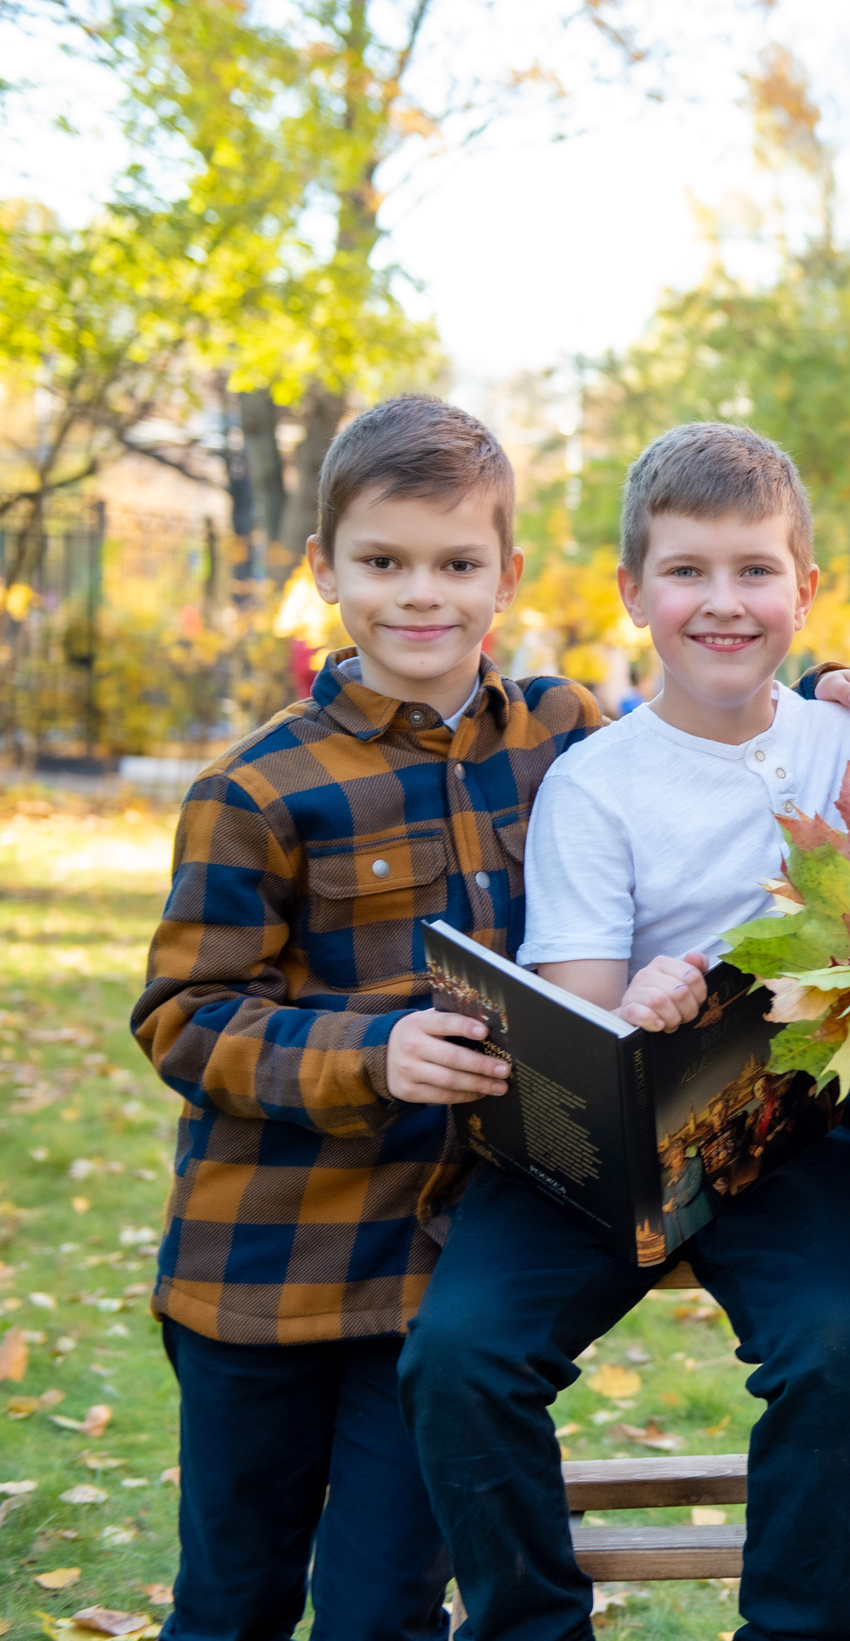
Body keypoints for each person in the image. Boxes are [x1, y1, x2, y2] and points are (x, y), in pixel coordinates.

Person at [396, 422, 850, 1641]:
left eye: (754, 571)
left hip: (792, 1124)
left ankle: (798, 1627)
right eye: (686, 571)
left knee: (841, 1344)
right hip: (616, 1133)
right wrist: (632, 1006)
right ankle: (531, 1623)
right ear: (632, 592)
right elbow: (574, 1006)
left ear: (806, 591)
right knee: (460, 1355)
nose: (722, 603)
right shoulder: (599, 781)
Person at [130, 397, 605, 1641]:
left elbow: (722, 738)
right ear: (324, 568)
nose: (421, 596)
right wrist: (371, 1053)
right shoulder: (256, 785)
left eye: (456, 564)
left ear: (508, 572)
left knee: (384, 1612)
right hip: (261, 1275)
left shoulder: (566, 737)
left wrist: (849, 687)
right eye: (383, 562)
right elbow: (184, 1014)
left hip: (434, 1284)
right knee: (230, 1603)